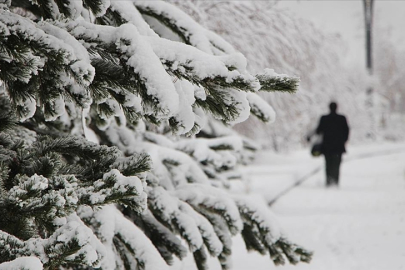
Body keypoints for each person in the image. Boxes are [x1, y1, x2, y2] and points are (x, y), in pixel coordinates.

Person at [311, 102, 349, 187]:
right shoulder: (342, 118)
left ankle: (329, 181)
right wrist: (343, 140)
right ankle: (335, 181)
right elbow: (346, 131)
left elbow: (318, 130)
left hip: (327, 146)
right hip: (338, 147)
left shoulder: (324, 118)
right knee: (337, 164)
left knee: (328, 164)